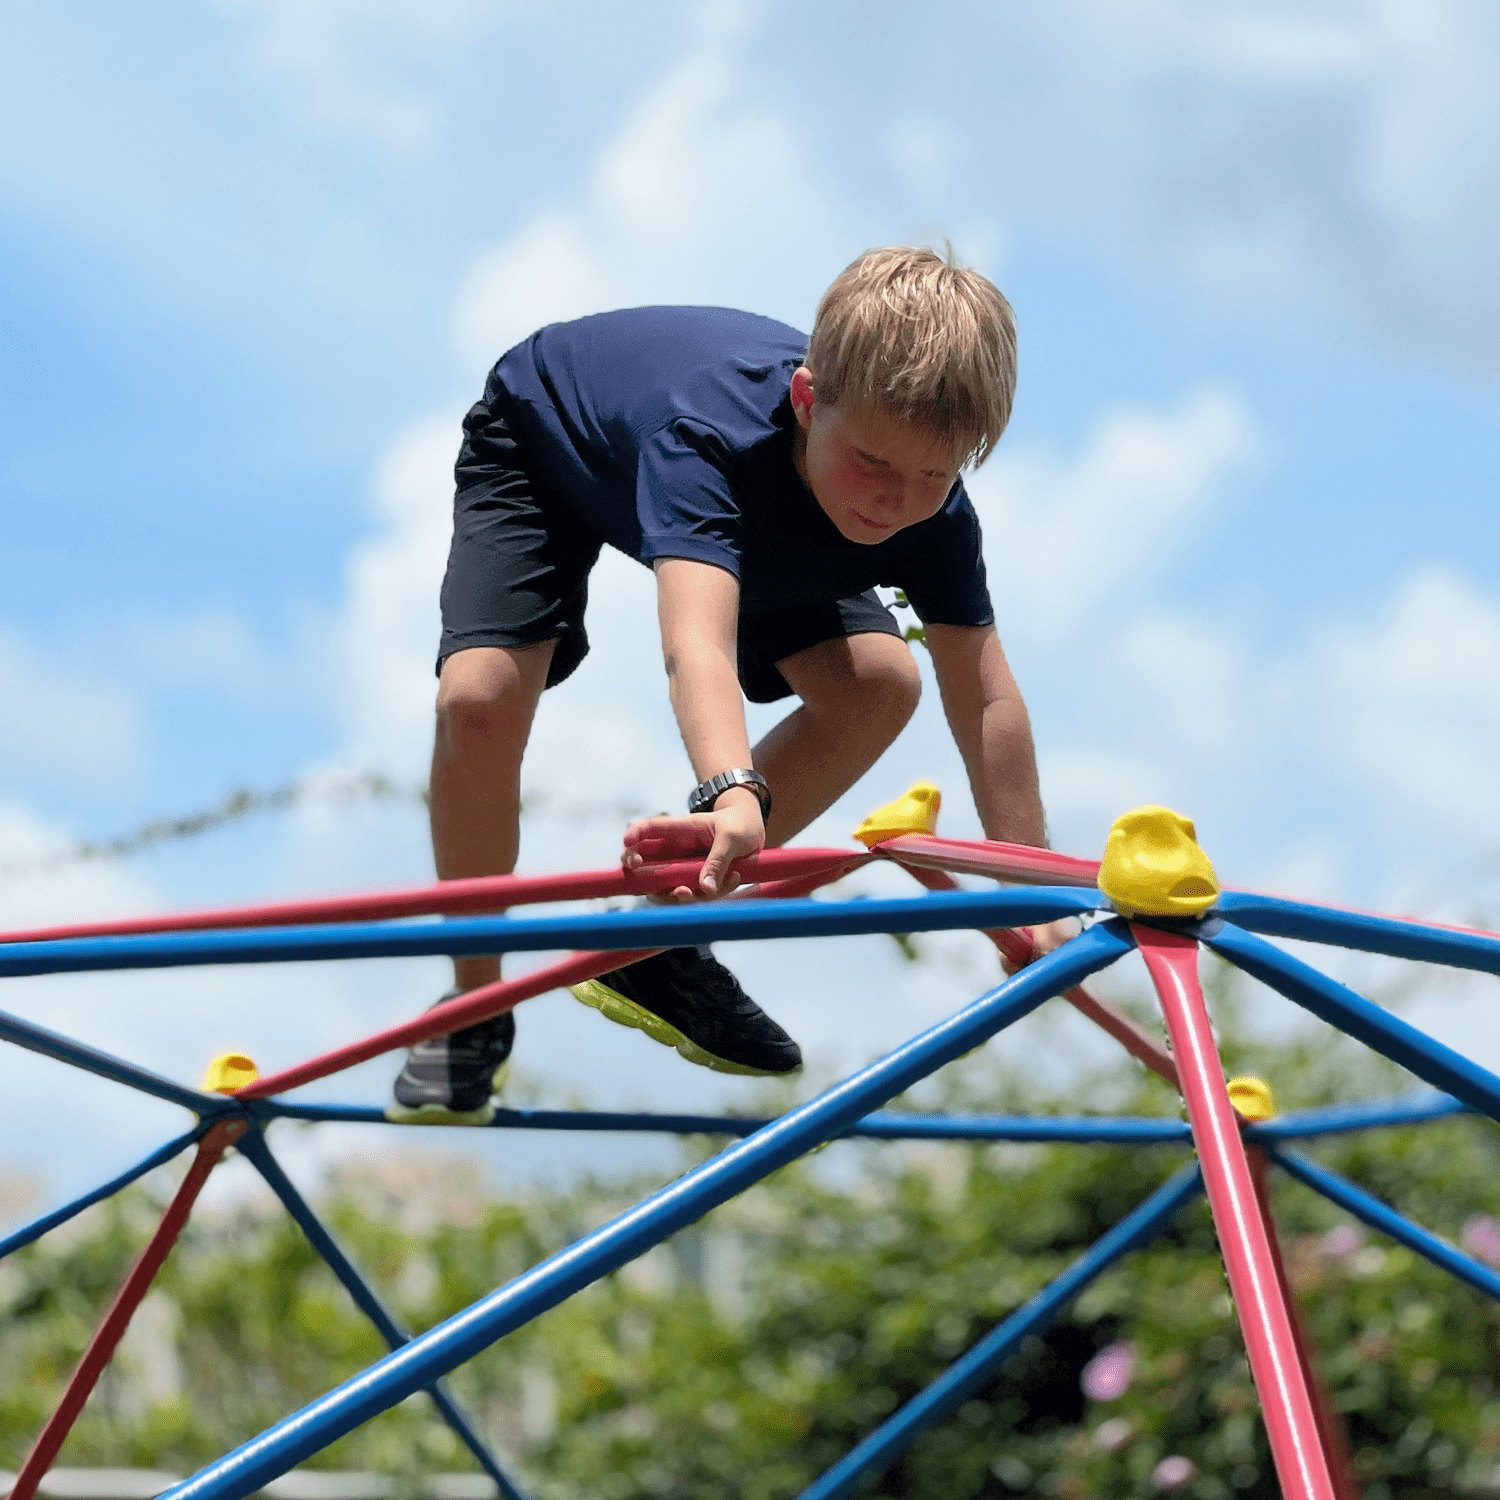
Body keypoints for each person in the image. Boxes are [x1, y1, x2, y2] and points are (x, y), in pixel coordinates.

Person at [388, 245, 1066, 1126]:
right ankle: (472, 1006)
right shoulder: (704, 432)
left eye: (934, 476)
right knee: (475, 699)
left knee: (881, 681)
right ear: (808, 400)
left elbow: (987, 696)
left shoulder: (922, 508)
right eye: (875, 463)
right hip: (550, 443)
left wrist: (1032, 885)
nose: (897, 500)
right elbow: (696, 642)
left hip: (784, 508)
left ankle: (652, 931)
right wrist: (733, 792)